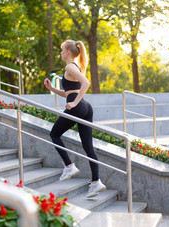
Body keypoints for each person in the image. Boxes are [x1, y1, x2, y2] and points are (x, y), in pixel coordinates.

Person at [44, 40, 106, 198]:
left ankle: (69, 166)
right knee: (88, 146)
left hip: (78, 107)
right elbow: (68, 93)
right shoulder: (75, 67)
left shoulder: (70, 66)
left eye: (62, 50)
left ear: (68, 52)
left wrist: (75, 102)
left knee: (54, 134)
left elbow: (86, 83)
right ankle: (95, 182)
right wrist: (52, 89)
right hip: (85, 108)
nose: (60, 53)